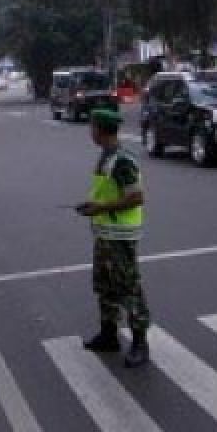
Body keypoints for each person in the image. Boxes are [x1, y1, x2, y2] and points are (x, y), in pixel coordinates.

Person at [76, 109, 151, 367]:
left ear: (101, 130)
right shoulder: (106, 156)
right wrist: (92, 205)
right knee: (104, 285)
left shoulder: (122, 160)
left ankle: (140, 342)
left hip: (120, 236)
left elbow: (136, 197)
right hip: (105, 234)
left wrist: (101, 208)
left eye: (92, 127)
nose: (90, 131)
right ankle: (109, 335)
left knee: (128, 288)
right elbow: (108, 192)